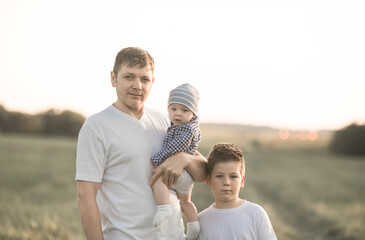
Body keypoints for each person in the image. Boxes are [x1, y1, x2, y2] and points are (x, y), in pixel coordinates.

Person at [76, 47, 207, 240]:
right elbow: (85, 197)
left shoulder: (166, 121)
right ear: (113, 78)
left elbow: (204, 172)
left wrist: (183, 159)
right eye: (129, 77)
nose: (138, 85)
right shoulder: (96, 127)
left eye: (144, 79)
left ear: (152, 82)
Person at [151, 83, 201, 240]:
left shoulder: (186, 130)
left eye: (184, 110)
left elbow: (174, 148)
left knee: (158, 180)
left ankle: (163, 207)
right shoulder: (187, 126)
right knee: (185, 202)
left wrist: (157, 159)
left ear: (193, 113)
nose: (178, 114)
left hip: (181, 173)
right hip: (187, 177)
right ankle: (194, 226)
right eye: (173, 109)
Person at [198, 143, 277, 240]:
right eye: (219, 176)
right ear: (208, 180)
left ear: (242, 181)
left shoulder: (256, 214)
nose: (226, 182)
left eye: (233, 176)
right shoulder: (201, 220)